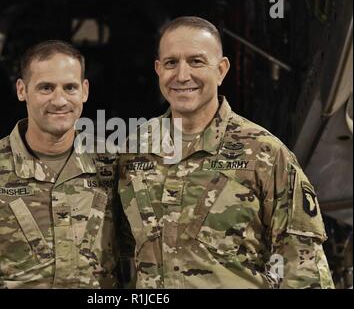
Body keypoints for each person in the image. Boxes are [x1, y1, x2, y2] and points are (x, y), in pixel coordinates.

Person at [117, 16, 335, 288]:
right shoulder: (132, 151)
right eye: (172, 63)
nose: (182, 75)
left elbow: (303, 267)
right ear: (158, 69)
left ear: (221, 70)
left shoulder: (264, 153)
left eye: (196, 61)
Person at [0, 40, 120, 288]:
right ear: (21, 90)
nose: (59, 100)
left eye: (69, 88)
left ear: (85, 91)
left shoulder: (113, 164)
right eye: (46, 88)